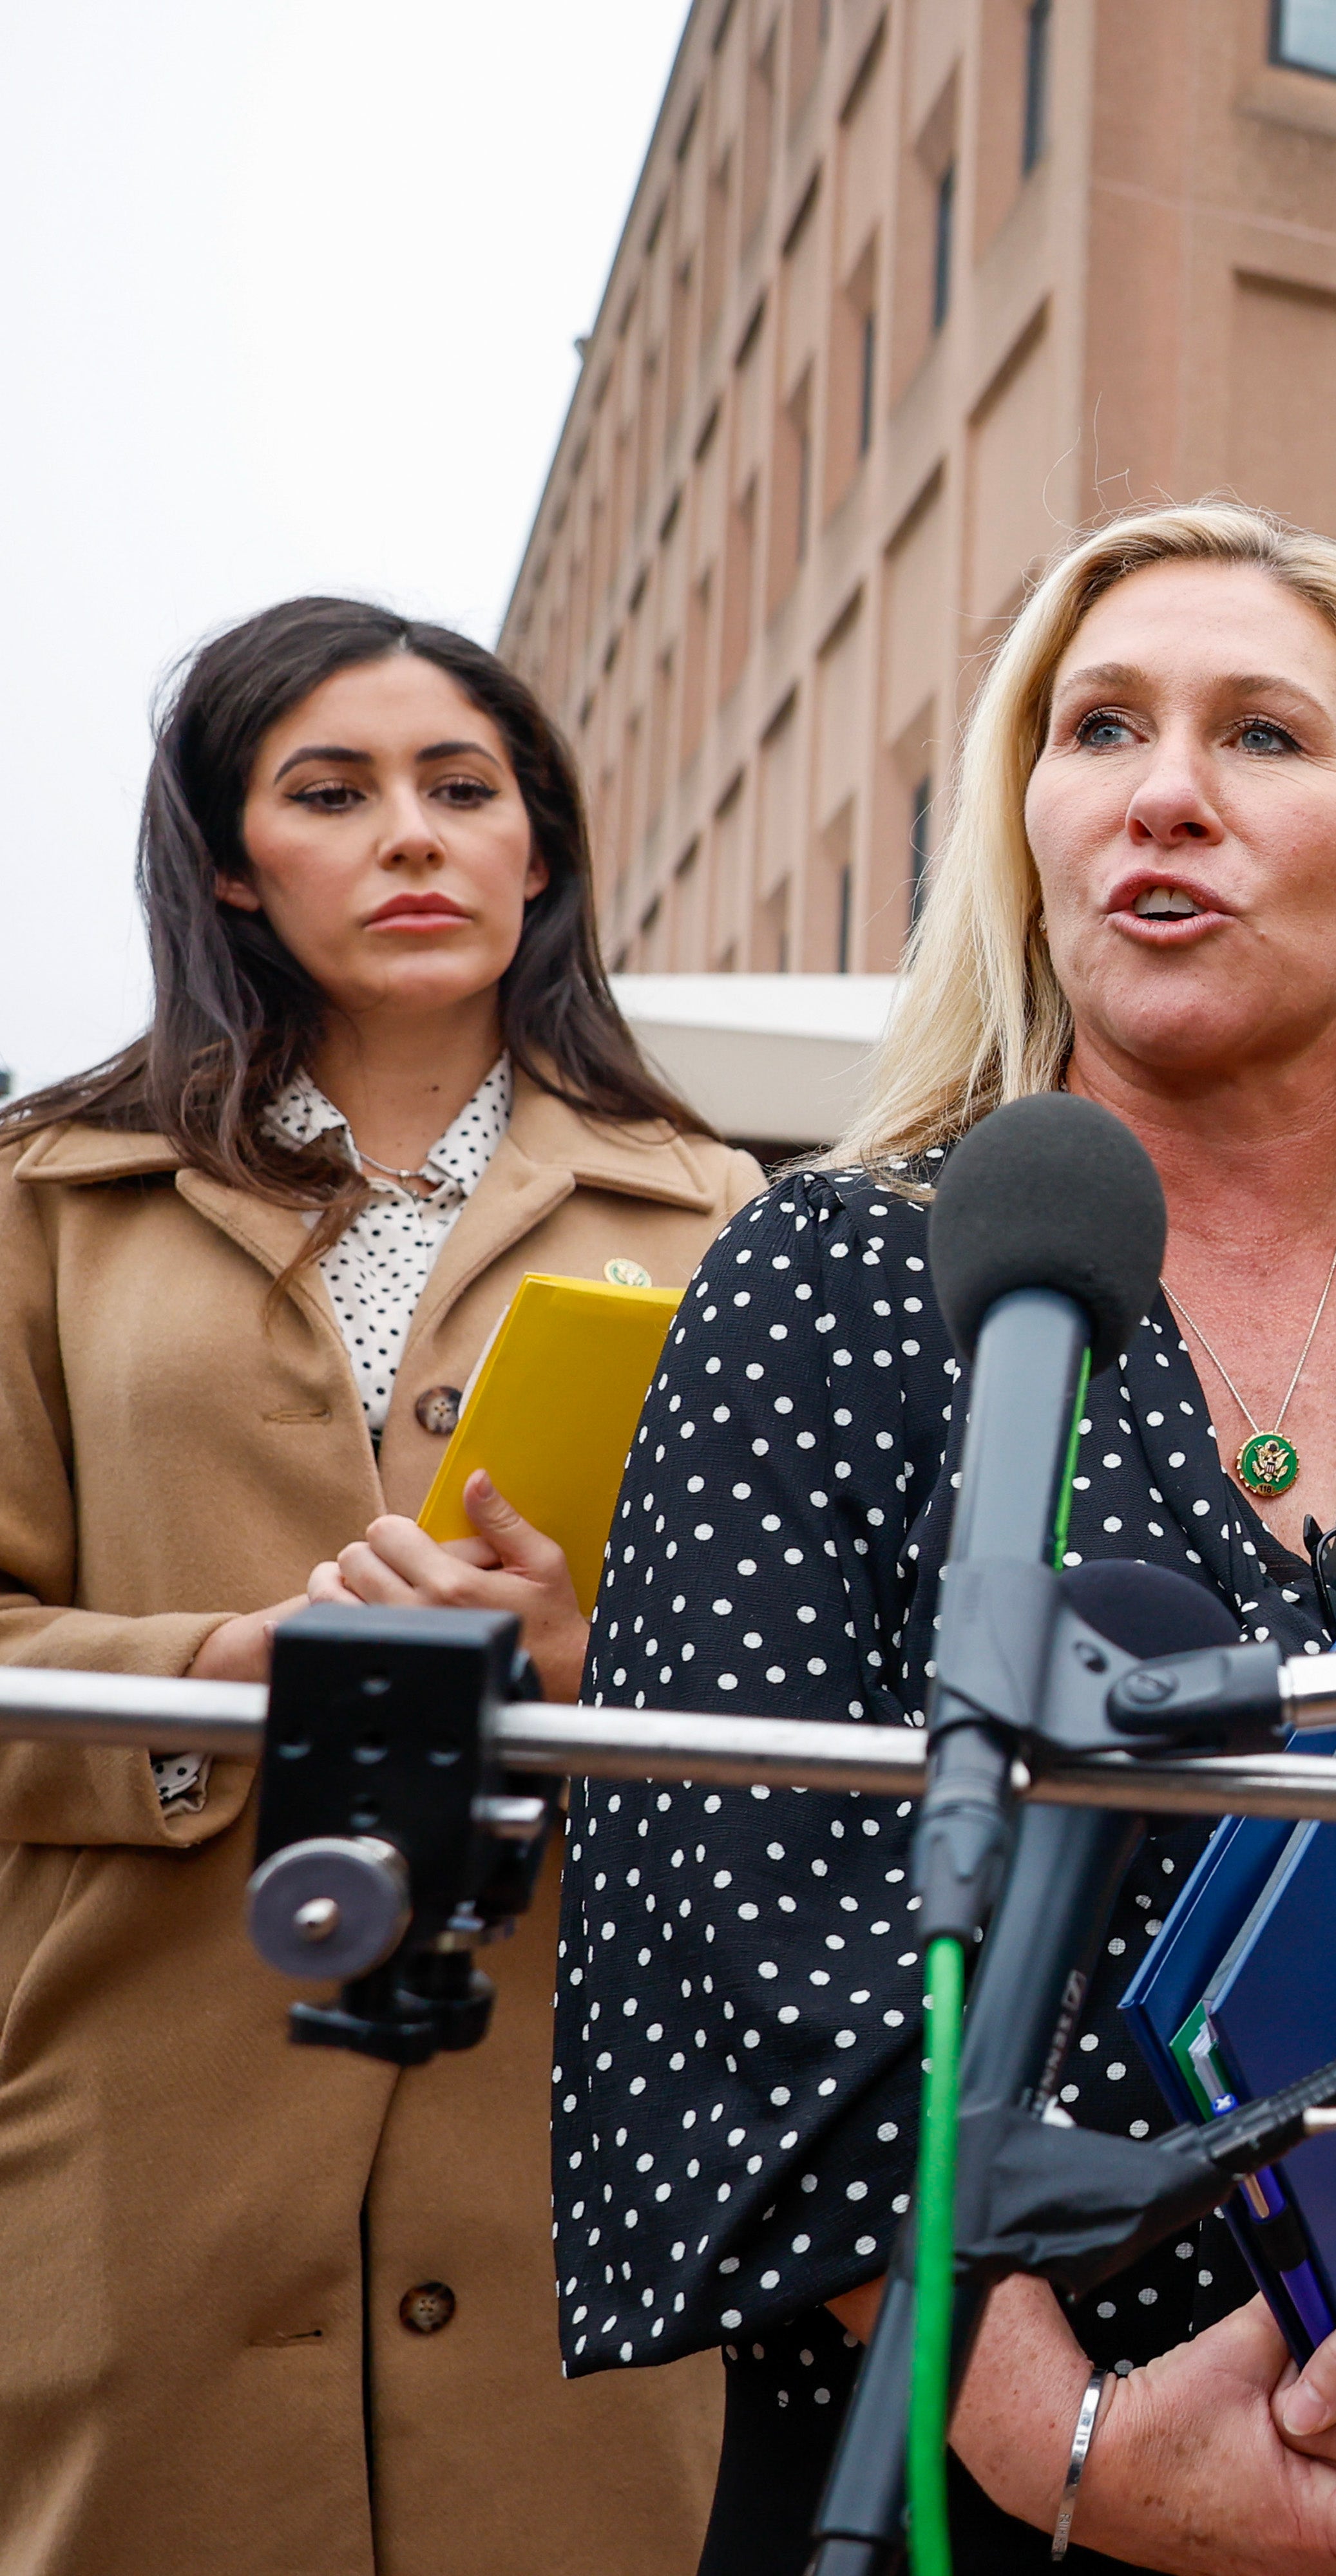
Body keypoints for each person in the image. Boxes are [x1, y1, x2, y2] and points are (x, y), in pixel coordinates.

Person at [553, 501, 1336, 2576]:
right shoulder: (829, 1277)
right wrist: (1077, 2442)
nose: (1164, 795)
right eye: (1100, 727)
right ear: (1028, 834)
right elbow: (730, 1929)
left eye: (1261, 738)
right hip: (958, 2469)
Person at [0, 597, 758, 2576]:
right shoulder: (41, 1198)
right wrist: (226, 1673)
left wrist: (599, 1665)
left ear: (541, 849)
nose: (413, 834)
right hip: (136, 2126)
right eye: (332, 793)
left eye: (463, 788)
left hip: (577, 2124)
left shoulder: (727, 1215)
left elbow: (816, 1707)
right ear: (238, 868)